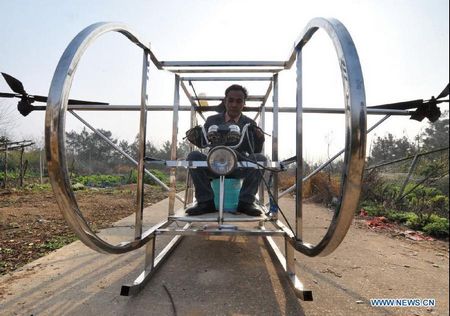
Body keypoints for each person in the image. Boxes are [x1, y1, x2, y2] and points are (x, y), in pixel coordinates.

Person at [186, 84, 266, 216]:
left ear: (244, 103)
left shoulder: (250, 123)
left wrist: (259, 139)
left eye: (239, 101)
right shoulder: (212, 120)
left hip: (237, 167)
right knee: (193, 156)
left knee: (261, 159)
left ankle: (246, 203)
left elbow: (255, 151)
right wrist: (194, 137)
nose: (234, 104)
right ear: (225, 101)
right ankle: (205, 202)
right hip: (213, 164)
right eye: (231, 100)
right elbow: (203, 143)